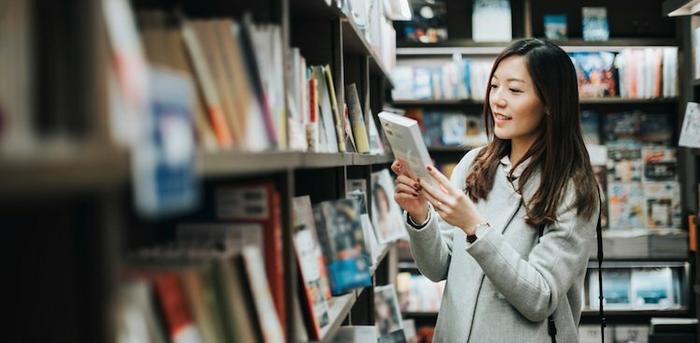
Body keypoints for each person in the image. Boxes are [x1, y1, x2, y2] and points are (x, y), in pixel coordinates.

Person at [391, 38, 600, 342]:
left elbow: (540, 298)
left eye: (514, 90)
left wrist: (474, 226)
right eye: (494, 86)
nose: (498, 100)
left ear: (550, 103)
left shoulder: (574, 189)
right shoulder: (474, 164)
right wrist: (420, 215)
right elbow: (438, 268)